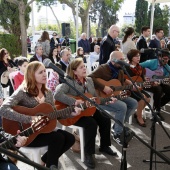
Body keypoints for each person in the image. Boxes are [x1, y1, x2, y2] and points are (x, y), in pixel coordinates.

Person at [0, 61, 82, 168]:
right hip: (26, 134)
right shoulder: (22, 92)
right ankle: (52, 166)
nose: (44, 74)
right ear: (31, 75)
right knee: (58, 138)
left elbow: (53, 114)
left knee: (70, 138)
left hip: (43, 130)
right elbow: (3, 109)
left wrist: (71, 113)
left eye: (44, 71)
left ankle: (44, 161)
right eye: (40, 72)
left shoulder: (47, 93)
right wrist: (29, 119)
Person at [54, 58, 118, 169]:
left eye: (84, 66)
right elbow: (57, 94)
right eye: (81, 67)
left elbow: (94, 97)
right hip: (73, 113)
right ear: (74, 71)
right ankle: (89, 153)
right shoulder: (69, 82)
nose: (84, 68)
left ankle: (105, 145)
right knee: (91, 124)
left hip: (88, 109)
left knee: (105, 119)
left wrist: (107, 99)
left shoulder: (89, 80)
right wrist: (74, 102)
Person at [88, 51, 138, 144]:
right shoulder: (103, 68)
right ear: (113, 61)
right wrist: (103, 87)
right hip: (100, 98)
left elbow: (120, 82)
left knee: (133, 103)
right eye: (121, 59)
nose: (123, 61)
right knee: (122, 106)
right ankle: (117, 133)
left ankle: (117, 126)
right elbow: (89, 78)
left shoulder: (120, 70)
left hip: (114, 95)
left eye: (123, 59)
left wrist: (130, 84)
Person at [140, 49, 170, 121]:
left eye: (168, 59)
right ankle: (157, 111)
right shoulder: (151, 62)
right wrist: (143, 76)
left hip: (158, 82)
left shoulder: (167, 67)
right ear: (159, 57)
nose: (167, 61)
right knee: (159, 89)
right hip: (146, 83)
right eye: (165, 59)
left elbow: (166, 78)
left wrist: (160, 81)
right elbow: (138, 66)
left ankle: (156, 107)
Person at [126, 49, 150, 127]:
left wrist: (147, 82)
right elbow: (122, 78)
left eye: (139, 56)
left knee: (148, 99)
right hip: (128, 89)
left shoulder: (140, 68)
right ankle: (139, 117)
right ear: (131, 58)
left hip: (138, 88)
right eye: (136, 56)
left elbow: (142, 80)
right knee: (142, 98)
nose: (138, 57)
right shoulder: (126, 67)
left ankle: (137, 113)